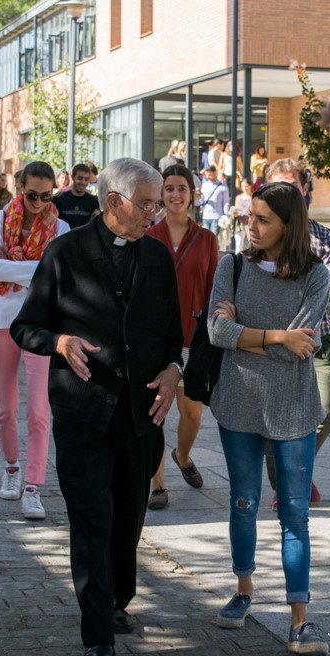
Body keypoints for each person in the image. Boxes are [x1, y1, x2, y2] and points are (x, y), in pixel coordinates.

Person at [11, 158, 183, 656]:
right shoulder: (64, 254)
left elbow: (173, 334)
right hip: (83, 413)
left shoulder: (157, 256)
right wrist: (59, 341)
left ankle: (116, 601)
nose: (156, 213)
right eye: (148, 204)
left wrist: (175, 369)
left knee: (127, 518)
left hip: (141, 414)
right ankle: (97, 635)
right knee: (91, 519)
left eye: (158, 204)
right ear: (113, 203)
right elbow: (26, 328)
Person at [207, 181, 330, 656]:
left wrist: (250, 334)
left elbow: (300, 350)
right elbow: (217, 331)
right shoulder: (232, 265)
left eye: (263, 219)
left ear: (287, 225)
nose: (251, 226)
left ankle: (301, 621)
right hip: (237, 402)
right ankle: (243, 590)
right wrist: (278, 337)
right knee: (243, 501)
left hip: (293, 409)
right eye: (250, 216)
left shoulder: (314, 276)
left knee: (295, 513)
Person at [0, 161, 71, 520]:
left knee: (39, 410)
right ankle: (11, 468)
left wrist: (18, 267)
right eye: (31, 194)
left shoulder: (61, 227)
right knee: (6, 409)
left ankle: (33, 486)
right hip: (1, 320)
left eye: (46, 195)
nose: (38, 202)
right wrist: (39, 269)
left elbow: (59, 273)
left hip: (42, 325)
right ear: (20, 186)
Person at [264, 158, 330, 508]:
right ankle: (289, 482)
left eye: (292, 186)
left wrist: (296, 330)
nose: (285, 194)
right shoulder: (260, 234)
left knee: (326, 404)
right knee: (274, 415)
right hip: (269, 342)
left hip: (317, 337)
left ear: (305, 189)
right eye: (277, 186)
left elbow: (325, 291)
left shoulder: (322, 236)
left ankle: (298, 470)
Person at [145, 164, 220, 510]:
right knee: (156, 414)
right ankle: (157, 484)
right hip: (156, 340)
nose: (175, 195)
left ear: (192, 194)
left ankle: (183, 454)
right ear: (161, 193)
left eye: (182, 189)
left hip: (192, 339)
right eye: (169, 188)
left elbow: (213, 289)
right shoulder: (146, 235)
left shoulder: (206, 239)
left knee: (192, 415)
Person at [51, 163, 100, 230]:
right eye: (80, 178)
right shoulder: (59, 199)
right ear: (72, 177)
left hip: (84, 239)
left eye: (86, 179)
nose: (83, 182)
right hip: (63, 239)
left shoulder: (93, 201)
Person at [198, 165, 229, 235]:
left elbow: (226, 203)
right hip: (205, 216)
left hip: (217, 217)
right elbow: (202, 200)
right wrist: (198, 196)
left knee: (213, 239)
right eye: (207, 174)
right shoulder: (204, 185)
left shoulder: (222, 187)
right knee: (205, 239)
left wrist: (226, 216)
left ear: (214, 173)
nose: (208, 176)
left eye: (210, 174)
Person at [231, 181, 253, 253]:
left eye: (246, 186)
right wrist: (235, 213)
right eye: (243, 186)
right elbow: (236, 208)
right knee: (239, 243)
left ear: (250, 186)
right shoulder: (238, 197)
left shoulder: (253, 196)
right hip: (240, 222)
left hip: (250, 222)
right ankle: (237, 260)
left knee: (251, 242)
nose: (244, 188)